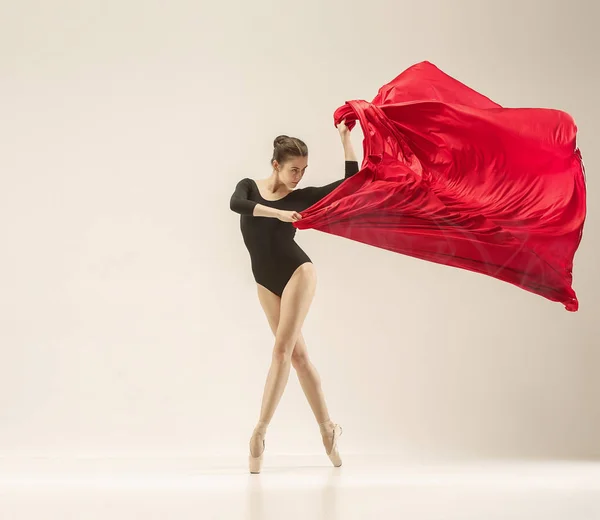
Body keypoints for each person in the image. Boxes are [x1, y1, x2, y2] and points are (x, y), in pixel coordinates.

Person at [229, 120, 359, 473]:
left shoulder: (300, 196)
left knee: (282, 351)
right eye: (292, 169)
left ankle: (259, 432)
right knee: (299, 358)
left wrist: (346, 139)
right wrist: (279, 213)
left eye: (303, 171)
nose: (298, 177)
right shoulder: (249, 187)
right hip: (264, 280)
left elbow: (352, 184)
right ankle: (328, 429)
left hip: (298, 273)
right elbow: (236, 205)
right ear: (275, 164)